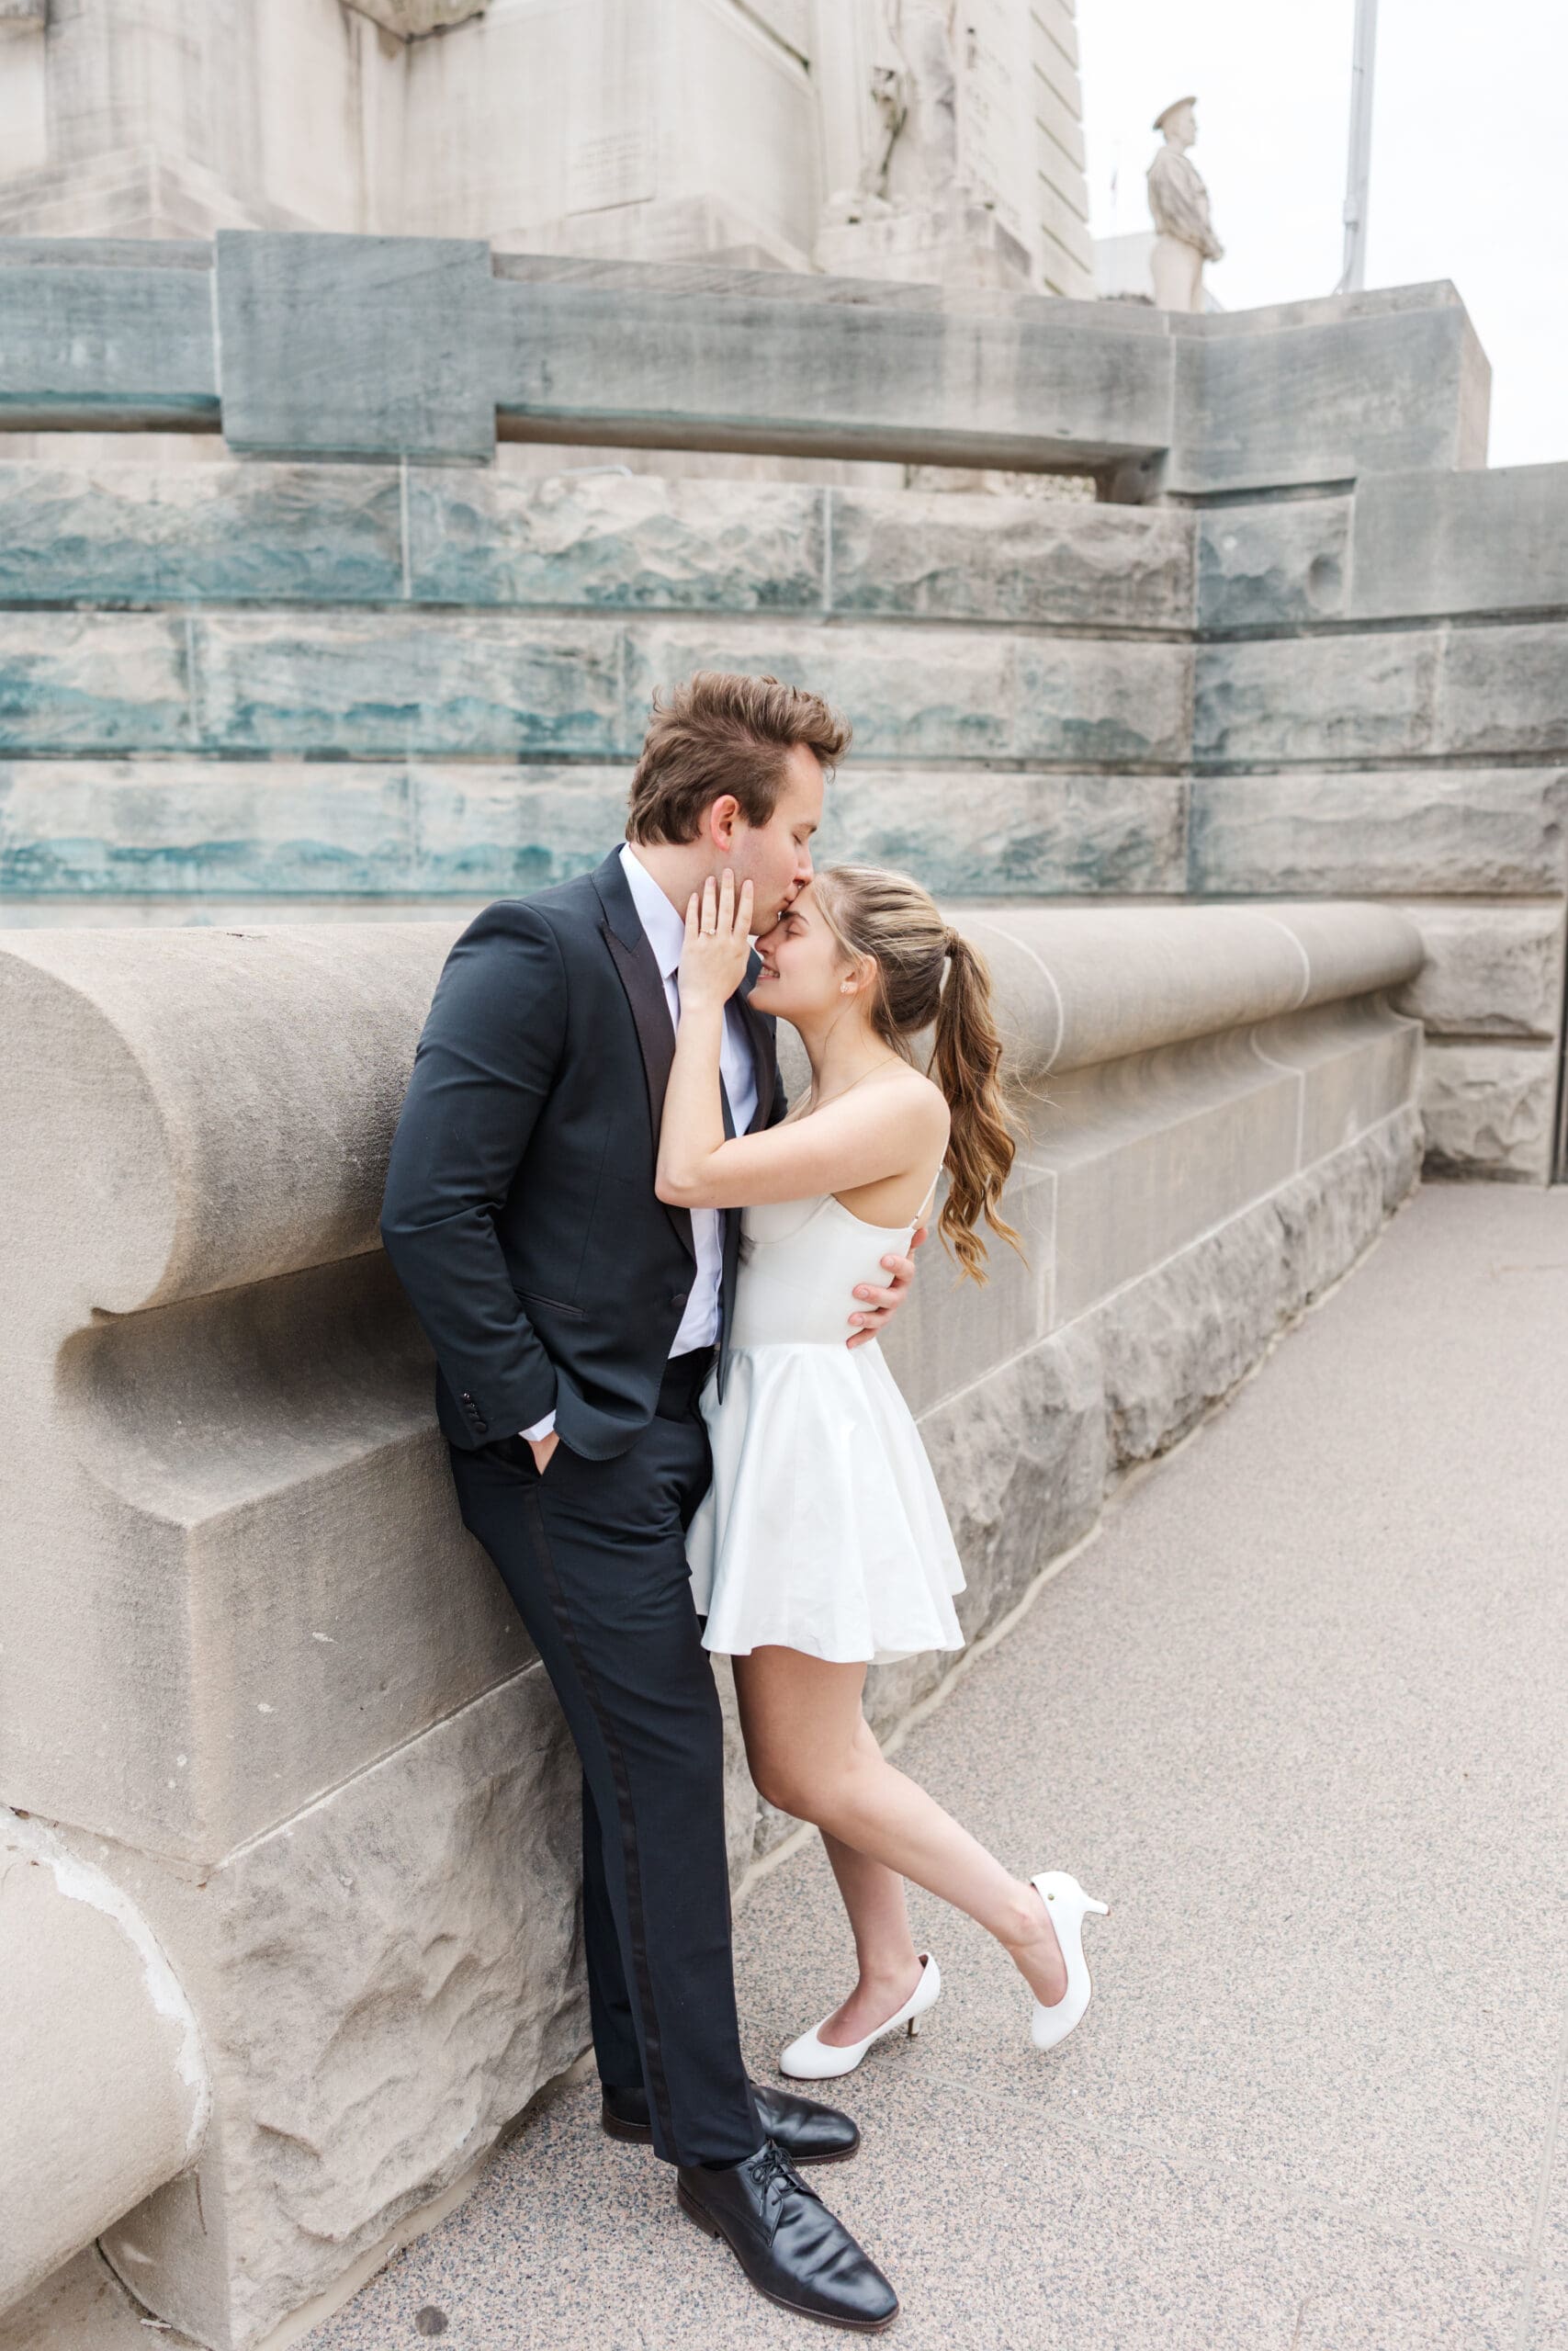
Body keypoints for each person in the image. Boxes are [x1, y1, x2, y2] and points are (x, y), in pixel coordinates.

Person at [378, 673, 920, 2334]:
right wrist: (537, 1417)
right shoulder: (536, 953)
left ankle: (654, 2087)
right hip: (570, 1454)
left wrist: (856, 1274)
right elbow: (430, 1206)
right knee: (676, 1770)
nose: (814, 866)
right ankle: (714, 2155)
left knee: (646, 1762)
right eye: (801, 831)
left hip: (695, 1421)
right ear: (721, 825)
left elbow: (777, 1177)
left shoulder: (741, 980)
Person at [657, 862, 1111, 2085]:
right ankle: (889, 1972)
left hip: (808, 1443)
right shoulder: (820, 1089)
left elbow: (688, 1175)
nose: (762, 932)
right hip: (771, 1418)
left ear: (856, 973)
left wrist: (700, 1000)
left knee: (804, 1763)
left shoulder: (896, 1103)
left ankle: (1028, 1916)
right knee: (829, 1747)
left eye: (790, 925)